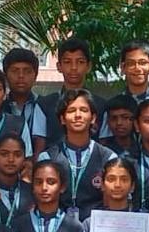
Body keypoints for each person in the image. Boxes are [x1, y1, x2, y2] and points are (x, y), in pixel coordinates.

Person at [36, 89, 121, 221]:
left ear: (93, 118)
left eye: (83, 110)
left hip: (96, 225)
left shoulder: (108, 158)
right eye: (71, 111)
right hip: (58, 227)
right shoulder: (47, 158)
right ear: (62, 119)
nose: (78, 115)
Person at [98, 40, 149, 140]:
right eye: (131, 63)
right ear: (123, 67)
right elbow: (105, 141)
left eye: (142, 63)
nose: (137, 68)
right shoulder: (113, 106)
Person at [38, 38, 106, 146]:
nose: (74, 68)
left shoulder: (101, 106)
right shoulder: (44, 105)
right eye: (67, 62)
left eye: (80, 62)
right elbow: (39, 146)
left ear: (88, 66)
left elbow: (104, 145)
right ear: (59, 67)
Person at [2, 47, 48, 156]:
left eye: (27, 71)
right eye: (15, 71)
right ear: (5, 76)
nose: (21, 76)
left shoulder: (46, 106)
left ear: (35, 75)